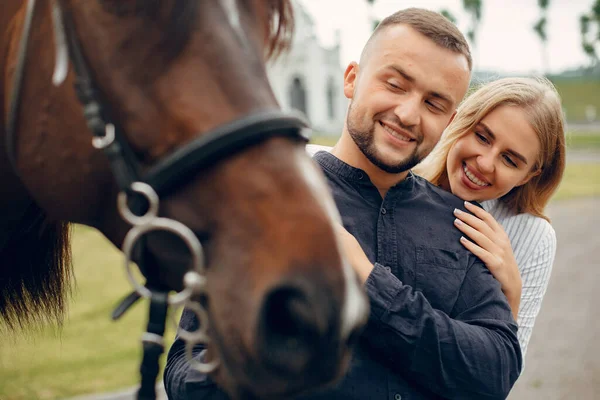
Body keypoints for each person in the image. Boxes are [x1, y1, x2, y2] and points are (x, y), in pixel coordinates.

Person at [164, 8, 522, 400]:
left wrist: (369, 283)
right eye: (396, 84)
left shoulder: (461, 223)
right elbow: (187, 374)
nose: (407, 114)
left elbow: (495, 372)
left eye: (433, 104)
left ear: (449, 121)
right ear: (352, 79)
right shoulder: (267, 204)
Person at [412, 76, 566, 357]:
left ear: (529, 175)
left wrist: (512, 293)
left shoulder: (533, 236)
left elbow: (501, 378)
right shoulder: (402, 180)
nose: (485, 163)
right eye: (482, 137)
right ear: (461, 121)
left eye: (510, 160)